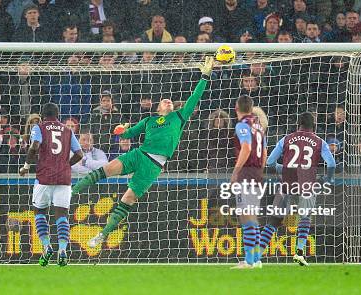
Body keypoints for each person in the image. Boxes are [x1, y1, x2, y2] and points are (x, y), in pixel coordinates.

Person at [72, 57, 214, 248]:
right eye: (164, 101)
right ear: (158, 108)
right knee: (105, 170)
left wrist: (205, 76)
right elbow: (128, 133)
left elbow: (194, 97)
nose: (168, 101)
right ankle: (70, 194)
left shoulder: (179, 117)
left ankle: (102, 234)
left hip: (153, 165)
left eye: (170, 101)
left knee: (128, 199)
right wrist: (120, 130)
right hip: (138, 154)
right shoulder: (148, 121)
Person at [264, 112, 336, 266]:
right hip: (307, 182)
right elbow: (331, 164)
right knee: (305, 217)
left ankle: (255, 256)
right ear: (313, 125)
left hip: (288, 181)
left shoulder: (287, 139)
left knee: (275, 219)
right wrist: (328, 179)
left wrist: (282, 168)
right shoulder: (319, 142)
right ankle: (299, 251)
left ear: (298, 124)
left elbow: (269, 162)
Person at [19, 103, 84, 267]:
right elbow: (80, 154)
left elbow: (35, 145)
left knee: (40, 212)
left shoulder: (39, 127)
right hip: (64, 179)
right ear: (57, 115)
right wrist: (66, 165)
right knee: (62, 215)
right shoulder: (68, 130)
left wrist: (26, 166)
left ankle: (47, 247)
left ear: (42, 115)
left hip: (44, 177)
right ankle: (62, 250)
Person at [230, 95, 266, 269]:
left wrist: (236, 171)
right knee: (250, 217)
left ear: (236, 108)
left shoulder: (242, 125)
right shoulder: (259, 126)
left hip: (247, 173)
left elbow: (246, 147)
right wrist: (260, 170)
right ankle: (255, 260)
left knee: (247, 217)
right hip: (257, 173)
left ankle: (250, 261)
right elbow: (264, 151)